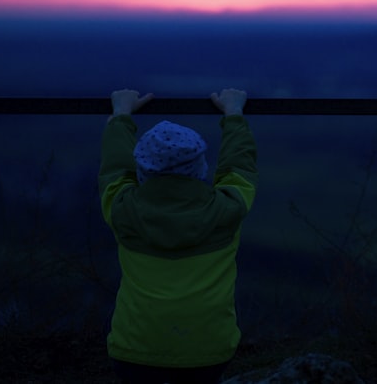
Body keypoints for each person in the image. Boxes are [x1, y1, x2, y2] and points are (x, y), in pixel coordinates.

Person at [99, 88, 258, 384]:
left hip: (134, 349)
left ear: (142, 170)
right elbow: (239, 167)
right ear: (200, 167)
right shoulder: (227, 210)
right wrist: (234, 114)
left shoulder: (123, 211)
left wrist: (121, 115)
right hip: (209, 351)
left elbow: (115, 170)